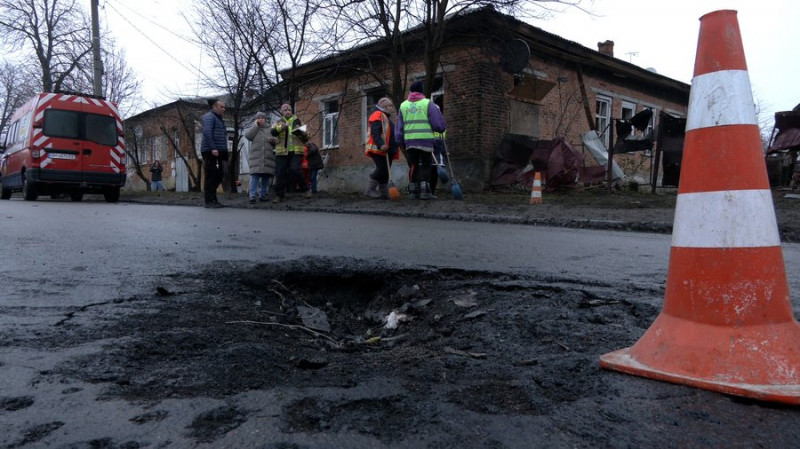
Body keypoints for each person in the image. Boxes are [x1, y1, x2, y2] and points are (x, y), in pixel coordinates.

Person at [395, 81, 447, 199]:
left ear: (411, 91)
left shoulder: (403, 105)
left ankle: (413, 192)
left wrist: (399, 140)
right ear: (421, 91)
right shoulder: (427, 103)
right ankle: (425, 192)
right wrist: (441, 128)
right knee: (426, 165)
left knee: (414, 165)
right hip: (425, 141)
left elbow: (399, 126)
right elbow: (438, 124)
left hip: (410, 142)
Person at [271, 103, 310, 203]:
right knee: (280, 173)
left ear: (291, 111)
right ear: (282, 112)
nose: (287, 111)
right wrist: (283, 127)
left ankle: (306, 189)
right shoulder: (278, 122)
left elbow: (307, 137)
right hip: (282, 151)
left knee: (295, 169)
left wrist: (303, 133)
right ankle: (279, 196)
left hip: (296, 151)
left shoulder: (299, 121)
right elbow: (273, 131)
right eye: (285, 110)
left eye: (289, 110)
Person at [364, 97, 399, 199]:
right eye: (390, 106)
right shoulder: (378, 115)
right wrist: (381, 144)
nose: (391, 108)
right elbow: (375, 132)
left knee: (386, 171)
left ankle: (384, 192)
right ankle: (370, 189)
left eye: (392, 106)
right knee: (381, 169)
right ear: (384, 106)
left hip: (388, 150)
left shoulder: (386, 117)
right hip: (379, 149)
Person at [200, 99, 229, 208]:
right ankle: (209, 201)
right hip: (210, 151)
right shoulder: (209, 117)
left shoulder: (218, 118)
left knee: (219, 175)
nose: (224, 109)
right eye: (221, 107)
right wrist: (213, 148)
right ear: (214, 107)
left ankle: (213, 199)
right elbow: (207, 133)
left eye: (224, 107)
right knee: (211, 175)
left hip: (218, 151)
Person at [244, 112, 277, 203]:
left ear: (265, 119)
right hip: (256, 157)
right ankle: (252, 196)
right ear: (256, 119)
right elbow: (248, 136)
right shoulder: (254, 129)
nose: (261, 119)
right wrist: (256, 126)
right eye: (259, 118)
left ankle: (263, 195)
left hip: (268, 157)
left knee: (265, 177)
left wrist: (273, 140)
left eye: (262, 118)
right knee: (255, 176)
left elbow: (277, 140)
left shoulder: (271, 129)